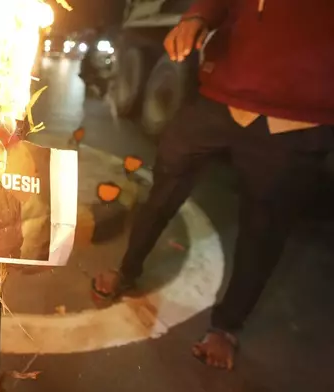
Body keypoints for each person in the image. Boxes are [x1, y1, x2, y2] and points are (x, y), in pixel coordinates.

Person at [92, 0, 334, 370]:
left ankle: (226, 327)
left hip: (296, 115)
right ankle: (128, 269)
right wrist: (195, 17)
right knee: (167, 179)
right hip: (220, 94)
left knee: (265, 227)